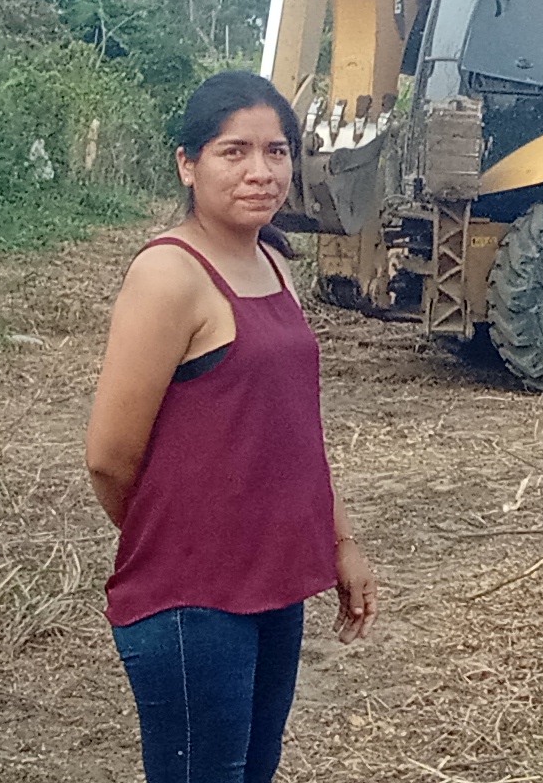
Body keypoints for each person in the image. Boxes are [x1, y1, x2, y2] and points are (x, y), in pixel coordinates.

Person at [86, 71, 379, 783]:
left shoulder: (273, 260)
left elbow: (295, 431)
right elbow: (109, 457)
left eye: (276, 152)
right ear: (188, 165)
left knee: (253, 770)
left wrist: (340, 541)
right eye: (233, 151)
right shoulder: (169, 274)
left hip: (273, 586)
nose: (260, 171)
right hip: (192, 599)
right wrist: (182, 537)